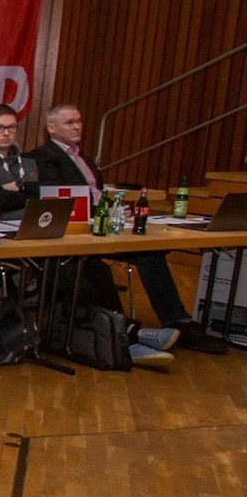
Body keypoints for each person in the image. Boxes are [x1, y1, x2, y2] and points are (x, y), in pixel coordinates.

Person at [29, 102, 221, 352]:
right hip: (74, 233)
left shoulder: (85, 160)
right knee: (96, 267)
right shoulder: (42, 158)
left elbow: (97, 195)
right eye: (70, 122)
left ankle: (178, 321)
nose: (77, 127)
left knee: (150, 252)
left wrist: (116, 209)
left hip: (103, 227)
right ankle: (121, 329)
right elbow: (59, 198)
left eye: (79, 121)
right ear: (51, 128)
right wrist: (105, 211)